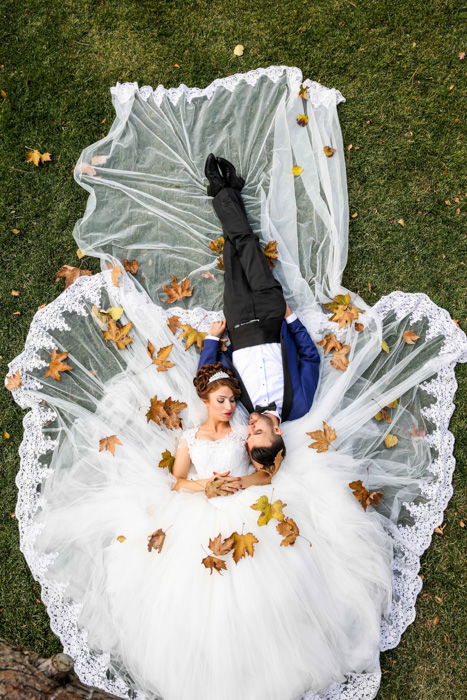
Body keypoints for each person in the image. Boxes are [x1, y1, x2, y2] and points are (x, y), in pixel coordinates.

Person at [6, 66, 466, 700]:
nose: (250, 420)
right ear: (263, 429)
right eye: (254, 423)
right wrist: (244, 453)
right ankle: (230, 202)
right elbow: (265, 424)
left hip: (217, 476)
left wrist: (208, 475)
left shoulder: (218, 418)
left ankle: (228, 202)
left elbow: (184, 468)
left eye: (246, 421)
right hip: (262, 344)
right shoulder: (269, 414)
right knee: (242, 252)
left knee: (240, 253)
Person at [198, 153, 321, 471]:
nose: (250, 426)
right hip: (271, 314)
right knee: (247, 246)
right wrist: (290, 318)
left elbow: (208, 380)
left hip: (237, 323)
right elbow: (309, 357)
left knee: (232, 250)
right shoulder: (300, 404)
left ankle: (227, 189)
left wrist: (212, 341)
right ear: (277, 430)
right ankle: (220, 186)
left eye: (248, 435)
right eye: (259, 431)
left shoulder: (240, 408)